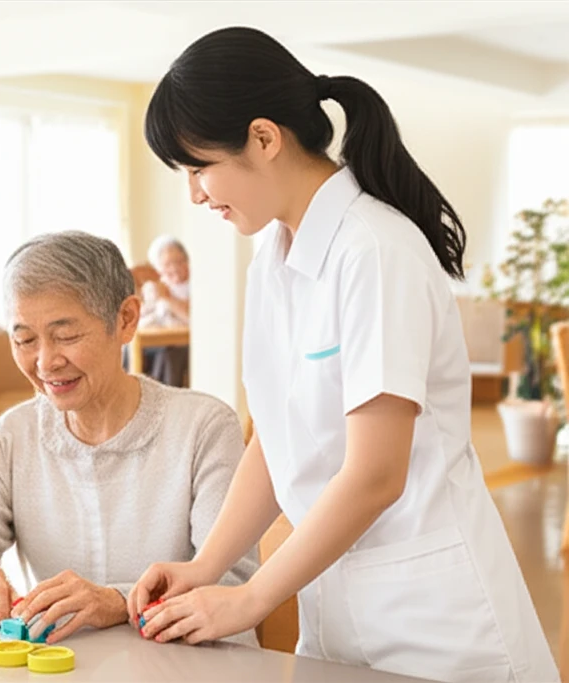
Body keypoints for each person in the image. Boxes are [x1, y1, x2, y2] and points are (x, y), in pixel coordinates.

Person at [128, 26, 557, 683]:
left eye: (199, 167)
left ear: (264, 138)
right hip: (339, 617)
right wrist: (204, 565)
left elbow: (376, 474)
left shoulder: (375, 251)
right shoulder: (272, 258)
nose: (194, 193)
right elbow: (276, 438)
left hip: (437, 628)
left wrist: (251, 597)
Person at [0, 231, 258, 647]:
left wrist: (117, 600)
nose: (45, 361)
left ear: (126, 319)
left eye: (66, 336)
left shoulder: (203, 427)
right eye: (24, 339)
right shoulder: (11, 437)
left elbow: (232, 582)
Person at [136, 235, 190, 387]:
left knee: (167, 354)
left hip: (182, 343)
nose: (174, 268)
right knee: (129, 349)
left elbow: (192, 319)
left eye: (179, 261)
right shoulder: (157, 287)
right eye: (167, 264)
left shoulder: (193, 285)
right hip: (156, 340)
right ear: (159, 269)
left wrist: (168, 298)